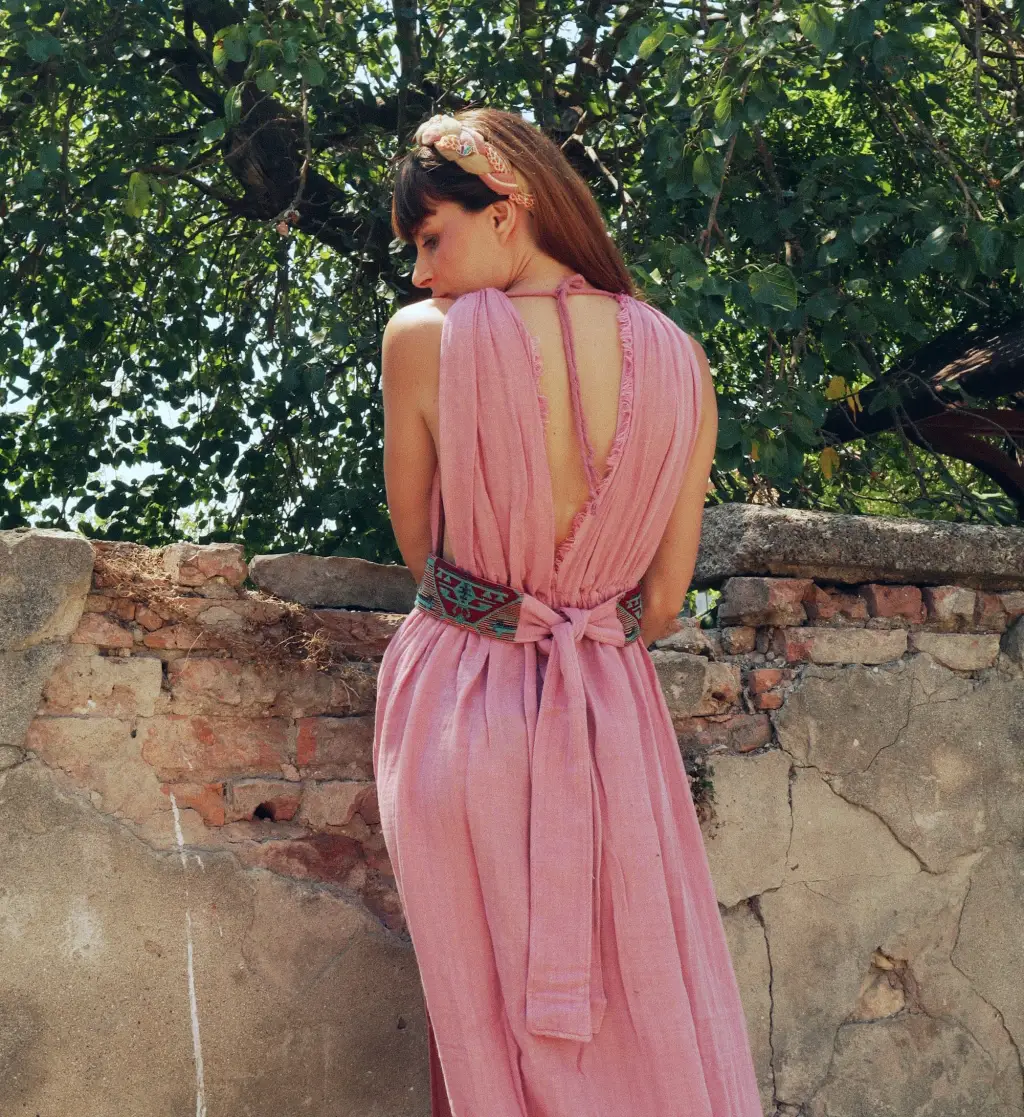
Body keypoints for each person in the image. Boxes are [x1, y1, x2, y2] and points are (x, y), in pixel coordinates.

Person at [373, 107, 763, 1117]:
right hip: (610, 718)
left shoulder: (425, 342)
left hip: (462, 708)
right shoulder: (680, 357)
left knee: (486, 1027)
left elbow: (424, 559)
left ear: (507, 210)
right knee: (646, 1012)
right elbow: (664, 601)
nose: (420, 274)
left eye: (431, 239)